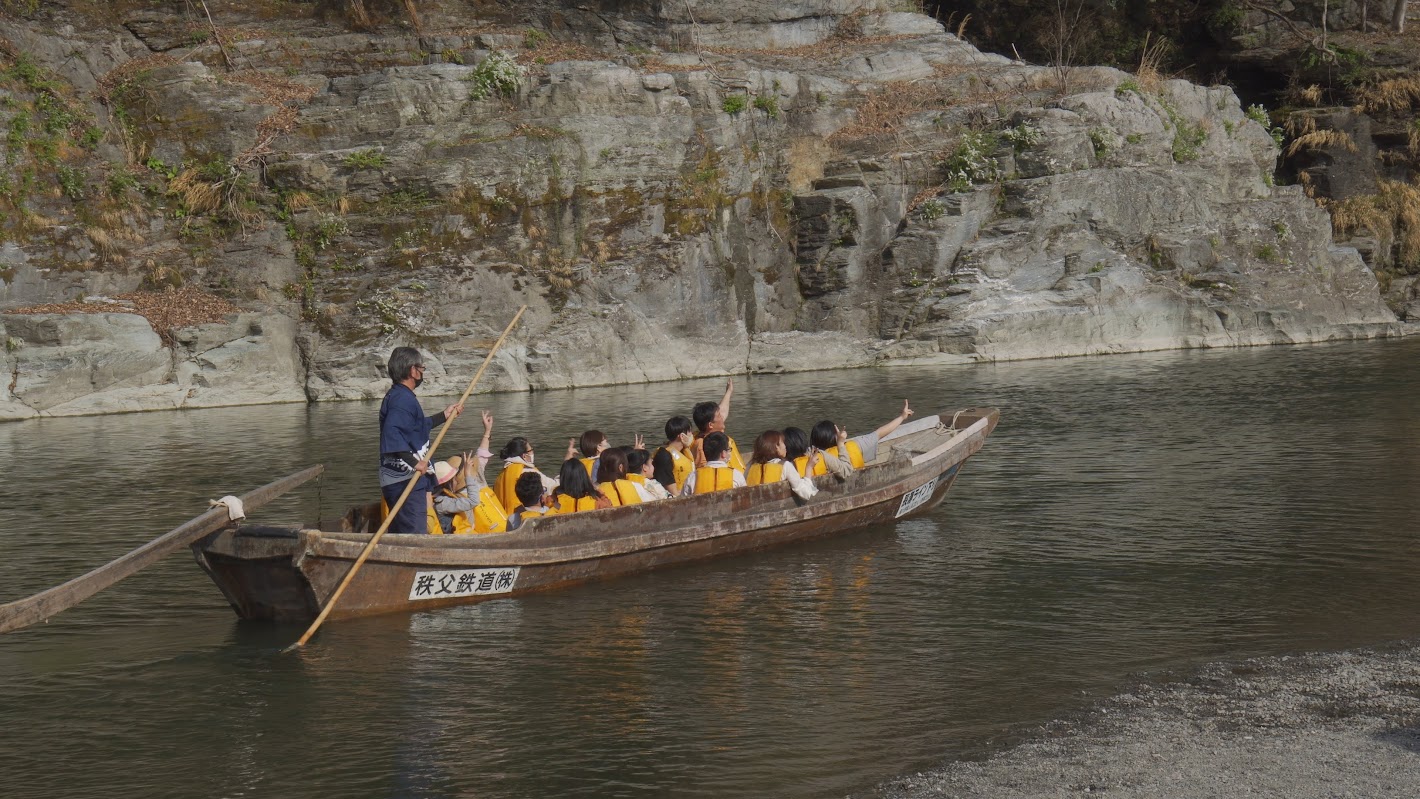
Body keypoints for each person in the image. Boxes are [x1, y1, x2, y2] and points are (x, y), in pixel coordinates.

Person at [378, 346, 462, 534]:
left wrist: (444, 416)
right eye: (422, 368)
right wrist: (414, 462)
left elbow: (414, 428)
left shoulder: (400, 396)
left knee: (407, 531)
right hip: (405, 479)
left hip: (405, 479)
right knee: (414, 533)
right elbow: (392, 434)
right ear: (413, 371)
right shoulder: (402, 399)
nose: (423, 372)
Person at [431, 411, 507, 534]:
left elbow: (482, 456)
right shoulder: (446, 501)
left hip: (496, 528)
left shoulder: (477, 478)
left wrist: (487, 431)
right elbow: (473, 500)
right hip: (483, 533)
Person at [811, 399, 915, 471]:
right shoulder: (855, 447)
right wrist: (902, 417)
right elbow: (880, 433)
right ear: (835, 437)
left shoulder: (810, 459)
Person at [494, 436, 567, 513]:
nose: (532, 452)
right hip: (527, 518)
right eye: (531, 450)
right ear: (524, 456)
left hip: (507, 519)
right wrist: (567, 467)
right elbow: (554, 487)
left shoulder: (502, 474)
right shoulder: (528, 472)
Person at [745, 430, 821, 500]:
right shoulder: (785, 466)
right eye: (783, 443)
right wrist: (809, 467)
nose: (785, 446)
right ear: (776, 447)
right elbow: (805, 493)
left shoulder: (750, 466)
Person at [689, 379, 746, 470]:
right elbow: (704, 471)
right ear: (711, 425)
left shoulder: (715, 432)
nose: (722, 417)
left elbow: (722, 410)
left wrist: (729, 392)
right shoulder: (703, 445)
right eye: (719, 416)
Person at [681, 431, 745, 496]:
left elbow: (683, 501)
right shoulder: (736, 475)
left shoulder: (692, 476)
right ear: (723, 453)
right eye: (728, 449)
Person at [652, 415, 696, 494]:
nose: (691, 434)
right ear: (682, 436)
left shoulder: (684, 451)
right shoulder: (664, 455)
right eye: (689, 431)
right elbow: (669, 486)